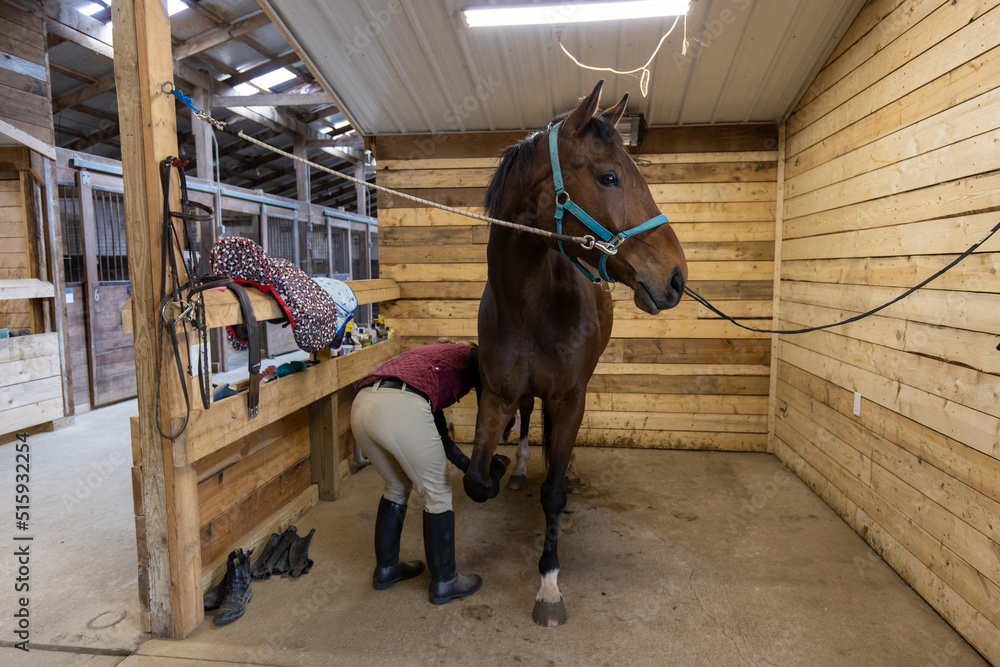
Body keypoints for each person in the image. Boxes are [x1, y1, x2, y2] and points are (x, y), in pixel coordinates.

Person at [351, 340, 509, 604]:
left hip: (363, 404)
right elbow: (488, 395)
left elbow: (437, 433)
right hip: (401, 407)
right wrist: (506, 419)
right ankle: (446, 582)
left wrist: (467, 465)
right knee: (438, 492)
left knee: (397, 486)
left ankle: (387, 569)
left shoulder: (428, 362)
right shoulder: (471, 354)